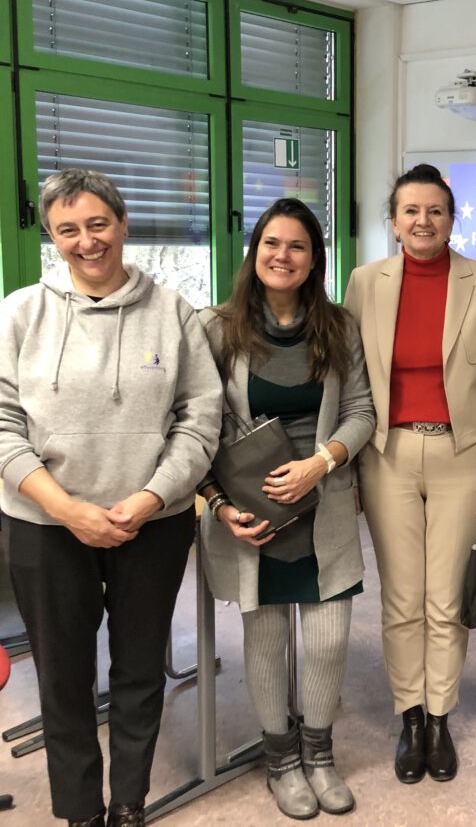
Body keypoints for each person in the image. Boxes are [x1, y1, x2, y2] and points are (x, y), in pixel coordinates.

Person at [0, 169, 222, 827]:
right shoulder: (19, 313)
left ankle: (128, 801)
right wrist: (65, 508)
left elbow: (200, 419)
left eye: (98, 224)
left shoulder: (173, 312)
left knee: (138, 670)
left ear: (123, 224)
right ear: (51, 236)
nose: (86, 241)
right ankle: (79, 811)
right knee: (63, 677)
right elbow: (2, 424)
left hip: (150, 523)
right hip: (46, 524)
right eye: (67, 229)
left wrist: (153, 497)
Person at [197, 198, 374, 818]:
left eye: (297, 245)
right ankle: (280, 761)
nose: (283, 256)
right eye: (272, 243)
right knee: (267, 640)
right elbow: (198, 426)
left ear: (315, 259)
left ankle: (320, 756)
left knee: (327, 642)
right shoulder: (216, 328)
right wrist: (220, 505)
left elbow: (361, 411)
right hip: (253, 516)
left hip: (323, 505)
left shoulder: (339, 327)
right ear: (254, 253)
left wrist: (320, 463)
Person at [343, 163, 476, 784]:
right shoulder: (364, 283)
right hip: (385, 456)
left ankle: (440, 717)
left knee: (445, 599)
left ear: (452, 219)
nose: (423, 221)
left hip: (461, 457)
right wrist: (349, 471)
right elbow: (351, 380)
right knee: (400, 598)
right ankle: (410, 717)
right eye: (411, 211)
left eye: (435, 210)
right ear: (393, 223)